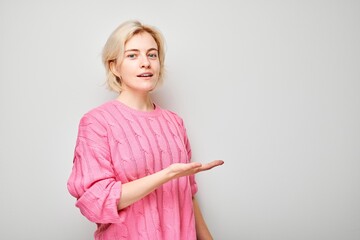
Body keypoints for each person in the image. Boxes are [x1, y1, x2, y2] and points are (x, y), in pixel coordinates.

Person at [67, 20, 224, 240]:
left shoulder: (174, 122)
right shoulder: (96, 122)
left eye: (152, 55)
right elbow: (97, 200)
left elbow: (187, 196)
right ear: (114, 66)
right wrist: (167, 174)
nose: (145, 63)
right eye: (132, 55)